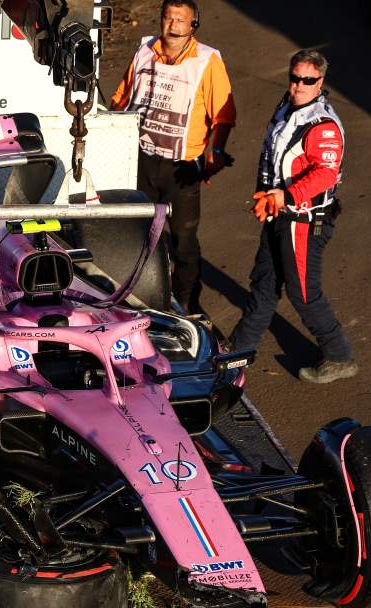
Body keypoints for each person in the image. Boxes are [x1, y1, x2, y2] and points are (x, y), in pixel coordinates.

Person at [229, 49, 357, 384]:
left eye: (308, 81)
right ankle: (240, 348)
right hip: (279, 213)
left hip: (304, 219)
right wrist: (267, 195)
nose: (299, 85)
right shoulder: (287, 105)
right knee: (264, 282)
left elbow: (325, 173)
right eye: (295, 77)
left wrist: (285, 195)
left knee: (303, 292)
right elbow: (270, 155)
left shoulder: (324, 125)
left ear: (321, 83)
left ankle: (340, 356)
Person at [111, 0, 235, 314]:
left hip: (182, 167)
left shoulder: (207, 61)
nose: (173, 25)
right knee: (137, 232)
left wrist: (216, 152)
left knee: (183, 238)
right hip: (143, 158)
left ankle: (187, 302)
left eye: (181, 20)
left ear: (193, 25)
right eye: (168, 17)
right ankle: (141, 297)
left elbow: (223, 115)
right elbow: (121, 99)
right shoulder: (144, 51)